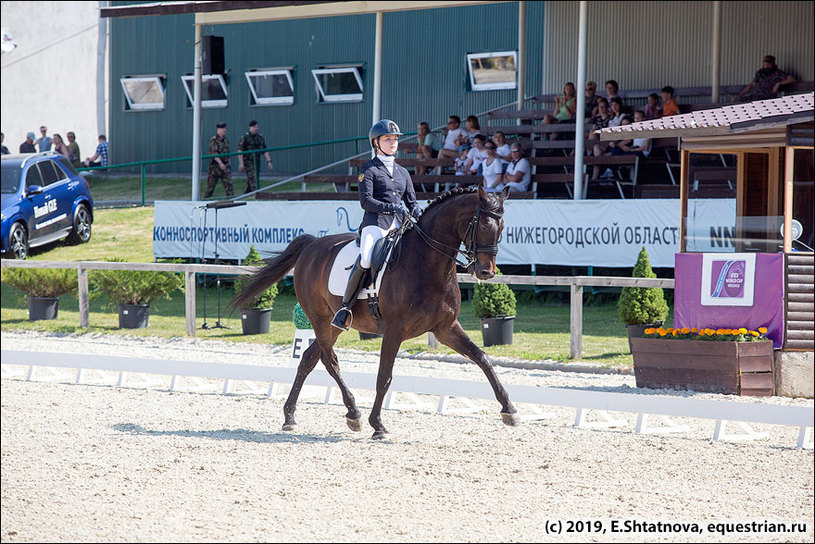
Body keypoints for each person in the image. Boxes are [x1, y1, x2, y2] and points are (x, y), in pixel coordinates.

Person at [331, 119, 421, 331]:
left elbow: (412, 201)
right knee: (366, 258)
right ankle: (345, 308)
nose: (393, 143)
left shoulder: (403, 173)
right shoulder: (368, 169)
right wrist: (393, 208)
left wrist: (417, 211)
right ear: (376, 143)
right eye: (387, 139)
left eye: (395, 139)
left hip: (399, 227)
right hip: (376, 225)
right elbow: (366, 201)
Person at [238, 120, 273, 194]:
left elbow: (265, 150)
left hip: (257, 161)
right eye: (254, 127)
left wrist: (269, 161)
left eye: (257, 127)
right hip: (248, 161)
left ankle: (248, 192)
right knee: (253, 177)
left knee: (253, 178)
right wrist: (241, 163)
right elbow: (240, 151)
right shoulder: (245, 137)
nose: (256, 128)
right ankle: (256, 193)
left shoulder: (260, 138)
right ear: (250, 128)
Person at [204, 123, 232, 198]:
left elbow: (227, 153)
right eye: (223, 128)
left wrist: (228, 163)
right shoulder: (214, 140)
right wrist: (220, 163)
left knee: (229, 186)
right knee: (210, 187)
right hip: (215, 167)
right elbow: (214, 153)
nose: (225, 130)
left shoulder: (226, 140)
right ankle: (205, 201)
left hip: (225, 166)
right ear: (218, 129)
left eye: (225, 128)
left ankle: (231, 201)